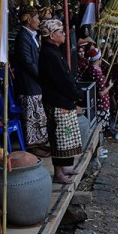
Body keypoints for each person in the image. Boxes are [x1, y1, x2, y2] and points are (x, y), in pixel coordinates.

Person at [37, 19, 84, 184]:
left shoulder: (54, 51)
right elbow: (61, 81)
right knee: (58, 138)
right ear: (51, 35)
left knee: (67, 136)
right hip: (57, 101)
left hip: (64, 100)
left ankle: (65, 167)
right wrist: (77, 94)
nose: (64, 34)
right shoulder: (48, 54)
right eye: (61, 32)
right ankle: (58, 172)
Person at [12, 6, 49, 157]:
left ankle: (40, 143)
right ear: (29, 19)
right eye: (37, 18)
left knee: (39, 114)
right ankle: (32, 146)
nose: (39, 21)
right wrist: (41, 76)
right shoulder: (22, 37)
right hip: (28, 83)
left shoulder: (30, 35)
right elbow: (27, 62)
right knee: (32, 116)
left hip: (35, 82)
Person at [81, 47, 113, 126]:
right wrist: (110, 86)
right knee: (100, 128)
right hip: (100, 104)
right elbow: (101, 93)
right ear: (99, 59)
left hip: (93, 103)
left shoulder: (89, 69)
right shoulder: (97, 73)